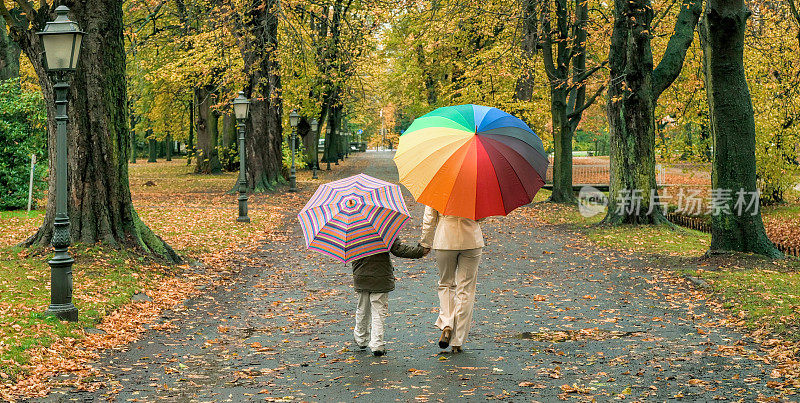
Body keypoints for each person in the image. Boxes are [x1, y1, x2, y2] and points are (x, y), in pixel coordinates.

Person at [419, 205, 484, 353]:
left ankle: (447, 324)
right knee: (466, 289)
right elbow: (482, 216)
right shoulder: (477, 183)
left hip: (445, 238)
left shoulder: (436, 184)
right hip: (471, 239)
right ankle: (457, 340)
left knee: (446, 284)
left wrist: (425, 242)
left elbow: (429, 218)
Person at [351, 238, 427, 356]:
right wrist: (419, 251)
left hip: (361, 276)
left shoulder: (351, 232)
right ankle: (377, 344)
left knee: (362, 308)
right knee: (378, 310)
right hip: (380, 276)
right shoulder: (383, 229)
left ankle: (361, 339)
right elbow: (398, 249)